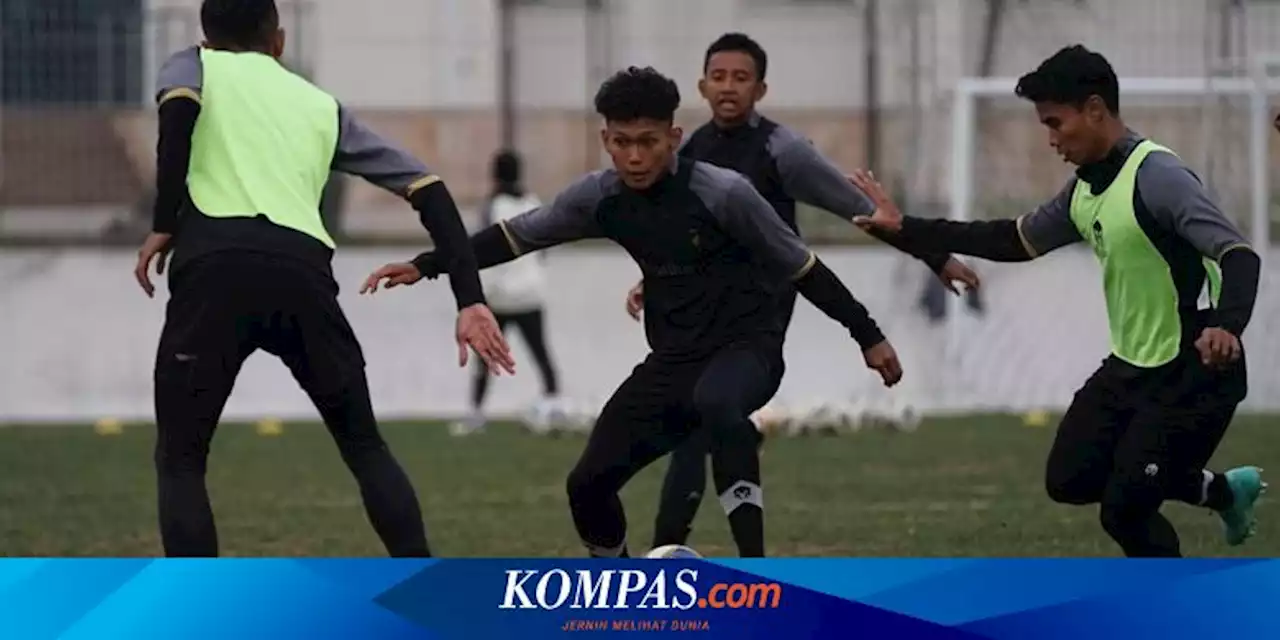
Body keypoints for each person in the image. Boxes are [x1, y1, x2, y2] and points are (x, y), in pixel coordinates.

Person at [362, 66, 902, 557]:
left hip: (748, 348)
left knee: (717, 402)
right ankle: (623, 585)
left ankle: (755, 574)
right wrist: (427, 264)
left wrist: (869, 336)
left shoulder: (725, 194)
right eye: (622, 143)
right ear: (606, 141)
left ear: (674, 138)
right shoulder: (599, 197)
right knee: (586, 486)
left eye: (648, 142)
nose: (636, 157)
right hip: (671, 362)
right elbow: (515, 237)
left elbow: (802, 267)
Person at [853, 44, 1265, 557]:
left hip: (1195, 369)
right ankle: (1224, 491)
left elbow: (1239, 254)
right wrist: (908, 229)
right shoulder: (1084, 190)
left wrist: (1227, 326)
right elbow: (1012, 239)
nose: (1051, 140)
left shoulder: (1158, 177)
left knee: (1127, 509)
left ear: (1095, 110)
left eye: (1056, 123)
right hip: (1133, 366)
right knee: (1070, 479)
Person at [134, 0, 513, 557]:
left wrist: (164, 222)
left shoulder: (192, 65)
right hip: (301, 274)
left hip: (214, 269)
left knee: (182, 460)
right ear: (279, 41)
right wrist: (469, 298)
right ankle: (427, 592)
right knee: (364, 446)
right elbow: (429, 187)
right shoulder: (320, 106)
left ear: (206, 36)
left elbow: (178, 115)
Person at [623, 32, 979, 550]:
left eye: (741, 78)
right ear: (702, 85)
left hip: (758, 319)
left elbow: (859, 209)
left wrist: (935, 255)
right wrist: (649, 279)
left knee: (711, 414)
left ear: (761, 89)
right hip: (704, 318)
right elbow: (685, 234)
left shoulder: (781, 150)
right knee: (693, 427)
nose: (728, 88)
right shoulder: (692, 149)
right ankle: (673, 558)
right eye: (718, 77)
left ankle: (744, 567)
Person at [451, 150, 562, 436]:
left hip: (499, 297)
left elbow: (478, 250)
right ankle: (553, 406)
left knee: (485, 356)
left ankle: (475, 414)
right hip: (530, 293)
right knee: (541, 354)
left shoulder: (492, 206)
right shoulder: (532, 202)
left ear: (495, 174)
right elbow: (545, 249)